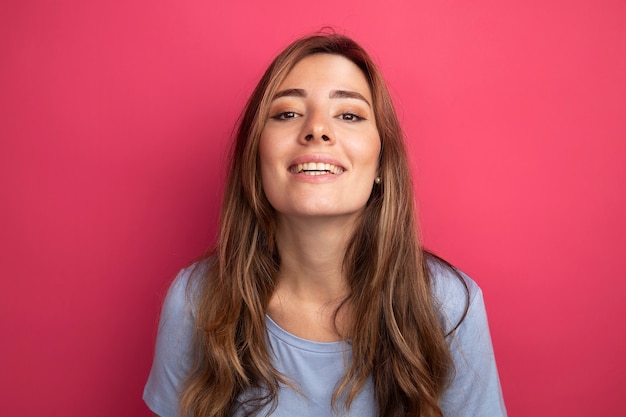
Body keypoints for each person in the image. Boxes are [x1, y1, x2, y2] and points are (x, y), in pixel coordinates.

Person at [143, 33, 507, 417]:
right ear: (255, 158)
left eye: (349, 115)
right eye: (287, 113)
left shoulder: (449, 305)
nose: (317, 129)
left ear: (382, 164)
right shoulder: (196, 300)